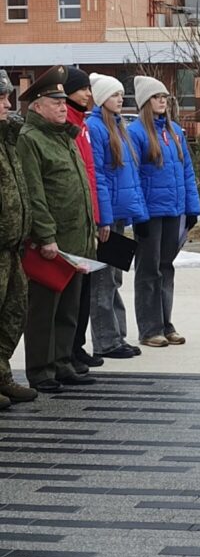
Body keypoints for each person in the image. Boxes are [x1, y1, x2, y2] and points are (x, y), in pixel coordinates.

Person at [16, 66, 97, 392]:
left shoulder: (64, 136)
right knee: (44, 311)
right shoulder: (31, 139)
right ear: (37, 106)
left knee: (68, 309)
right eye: (56, 103)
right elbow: (34, 193)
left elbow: (78, 186)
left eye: (64, 102)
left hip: (75, 237)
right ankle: (41, 370)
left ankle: (63, 363)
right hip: (51, 243)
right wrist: (45, 236)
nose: (64, 108)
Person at [128, 76, 200, 347]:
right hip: (150, 213)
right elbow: (132, 176)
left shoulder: (175, 132)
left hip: (173, 210)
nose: (162, 101)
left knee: (166, 267)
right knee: (148, 270)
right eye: (157, 97)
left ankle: (165, 322)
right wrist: (138, 214)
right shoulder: (136, 133)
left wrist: (192, 208)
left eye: (165, 97)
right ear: (145, 102)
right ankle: (149, 328)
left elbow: (187, 172)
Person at [87, 74, 149, 359]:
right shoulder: (96, 128)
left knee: (115, 278)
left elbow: (131, 177)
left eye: (121, 94)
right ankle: (106, 341)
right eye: (114, 94)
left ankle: (118, 336)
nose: (120, 99)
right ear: (101, 98)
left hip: (120, 214)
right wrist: (104, 219)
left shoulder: (119, 126)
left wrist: (139, 214)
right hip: (108, 217)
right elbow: (98, 176)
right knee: (103, 280)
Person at [63, 65, 103, 374]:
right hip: (73, 221)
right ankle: (68, 350)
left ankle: (76, 346)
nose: (89, 94)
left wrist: (97, 217)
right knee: (72, 292)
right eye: (83, 88)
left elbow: (90, 175)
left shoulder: (82, 124)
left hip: (88, 216)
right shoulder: (67, 125)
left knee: (84, 288)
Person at [0, 70, 37, 409]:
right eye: (0, 98)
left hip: (12, 246)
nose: (8, 104)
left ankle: (2, 375)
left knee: (14, 312)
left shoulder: (8, 139)